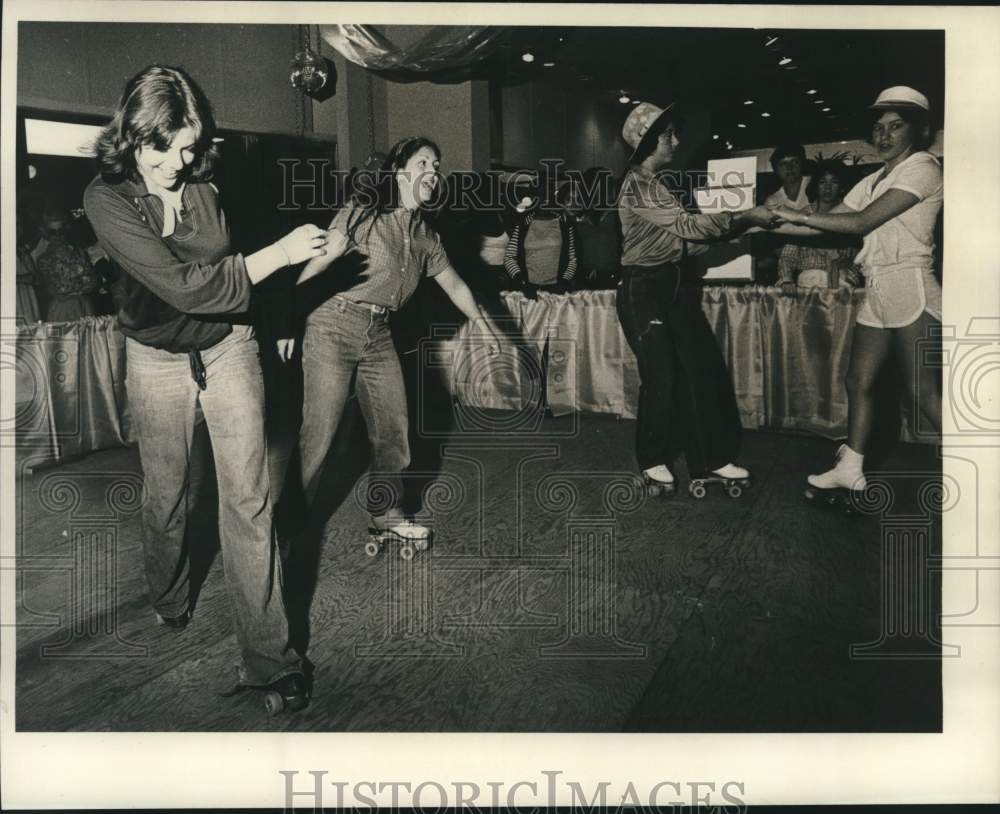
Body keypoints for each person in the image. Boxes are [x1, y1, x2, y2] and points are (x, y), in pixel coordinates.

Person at [83, 64, 346, 712]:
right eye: (164, 148)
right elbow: (189, 285)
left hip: (229, 346)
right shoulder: (106, 199)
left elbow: (243, 265)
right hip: (156, 358)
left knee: (249, 500)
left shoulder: (207, 179)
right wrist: (277, 256)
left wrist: (282, 301)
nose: (180, 162)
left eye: (191, 147)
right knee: (167, 498)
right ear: (132, 135)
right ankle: (170, 596)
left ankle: (270, 661)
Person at [290, 135, 506, 548]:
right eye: (424, 162)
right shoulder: (364, 214)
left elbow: (456, 285)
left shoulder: (425, 233)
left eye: (437, 165)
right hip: (333, 324)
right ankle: (289, 522)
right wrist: (289, 318)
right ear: (398, 170)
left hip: (379, 332)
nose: (433, 171)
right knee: (320, 434)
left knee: (394, 428)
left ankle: (385, 513)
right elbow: (321, 261)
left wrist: (486, 326)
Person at [769, 86, 943, 501]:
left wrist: (791, 213)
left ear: (918, 131)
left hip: (910, 285)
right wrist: (760, 221)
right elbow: (819, 225)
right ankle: (850, 469)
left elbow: (861, 222)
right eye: (878, 127)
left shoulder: (924, 167)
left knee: (922, 391)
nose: (883, 136)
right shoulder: (873, 179)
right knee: (858, 380)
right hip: (878, 287)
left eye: (895, 127)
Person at [617, 101, 777, 495]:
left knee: (700, 368)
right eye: (669, 134)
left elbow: (684, 244)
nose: (676, 140)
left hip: (671, 285)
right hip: (642, 290)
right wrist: (743, 217)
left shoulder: (660, 186)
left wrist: (743, 234)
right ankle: (653, 459)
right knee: (662, 375)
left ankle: (711, 458)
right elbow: (690, 227)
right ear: (650, 141)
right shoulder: (638, 185)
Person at [777, 159, 863, 293]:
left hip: (843, 287)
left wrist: (850, 281)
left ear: (842, 187)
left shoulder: (851, 216)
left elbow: (860, 257)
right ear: (816, 186)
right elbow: (787, 256)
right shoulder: (802, 215)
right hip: (808, 286)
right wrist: (786, 280)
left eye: (834, 182)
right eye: (822, 182)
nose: (827, 188)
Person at [503, 166, 578, 296]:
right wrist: (522, 281)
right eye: (542, 191)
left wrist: (564, 282)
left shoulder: (564, 222)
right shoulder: (524, 223)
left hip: (556, 293)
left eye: (549, 191)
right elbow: (509, 257)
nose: (546, 196)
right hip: (529, 292)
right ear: (534, 196)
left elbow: (573, 259)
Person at [33, 203, 100, 322]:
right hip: (62, 309)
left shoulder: (79, 251)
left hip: (85, 305)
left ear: (67, 228)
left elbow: (93, 282)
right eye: (53, 232)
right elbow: (59, 288)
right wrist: (81, 281)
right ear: (46, 233)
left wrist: (77, 285)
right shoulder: (44, 259)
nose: (58, 236)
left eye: (61, 230)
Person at [566, 167, 622, 289]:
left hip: (612, 278)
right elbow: (574, 250)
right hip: (583, 277)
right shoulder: (579, 216)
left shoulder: (618, 215)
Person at [765, 142, 812, 213]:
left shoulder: (816, 184)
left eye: (795, 162)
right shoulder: (773, 201)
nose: (789, 167)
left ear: (802, 164)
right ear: (775, 170)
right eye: (783, 164)